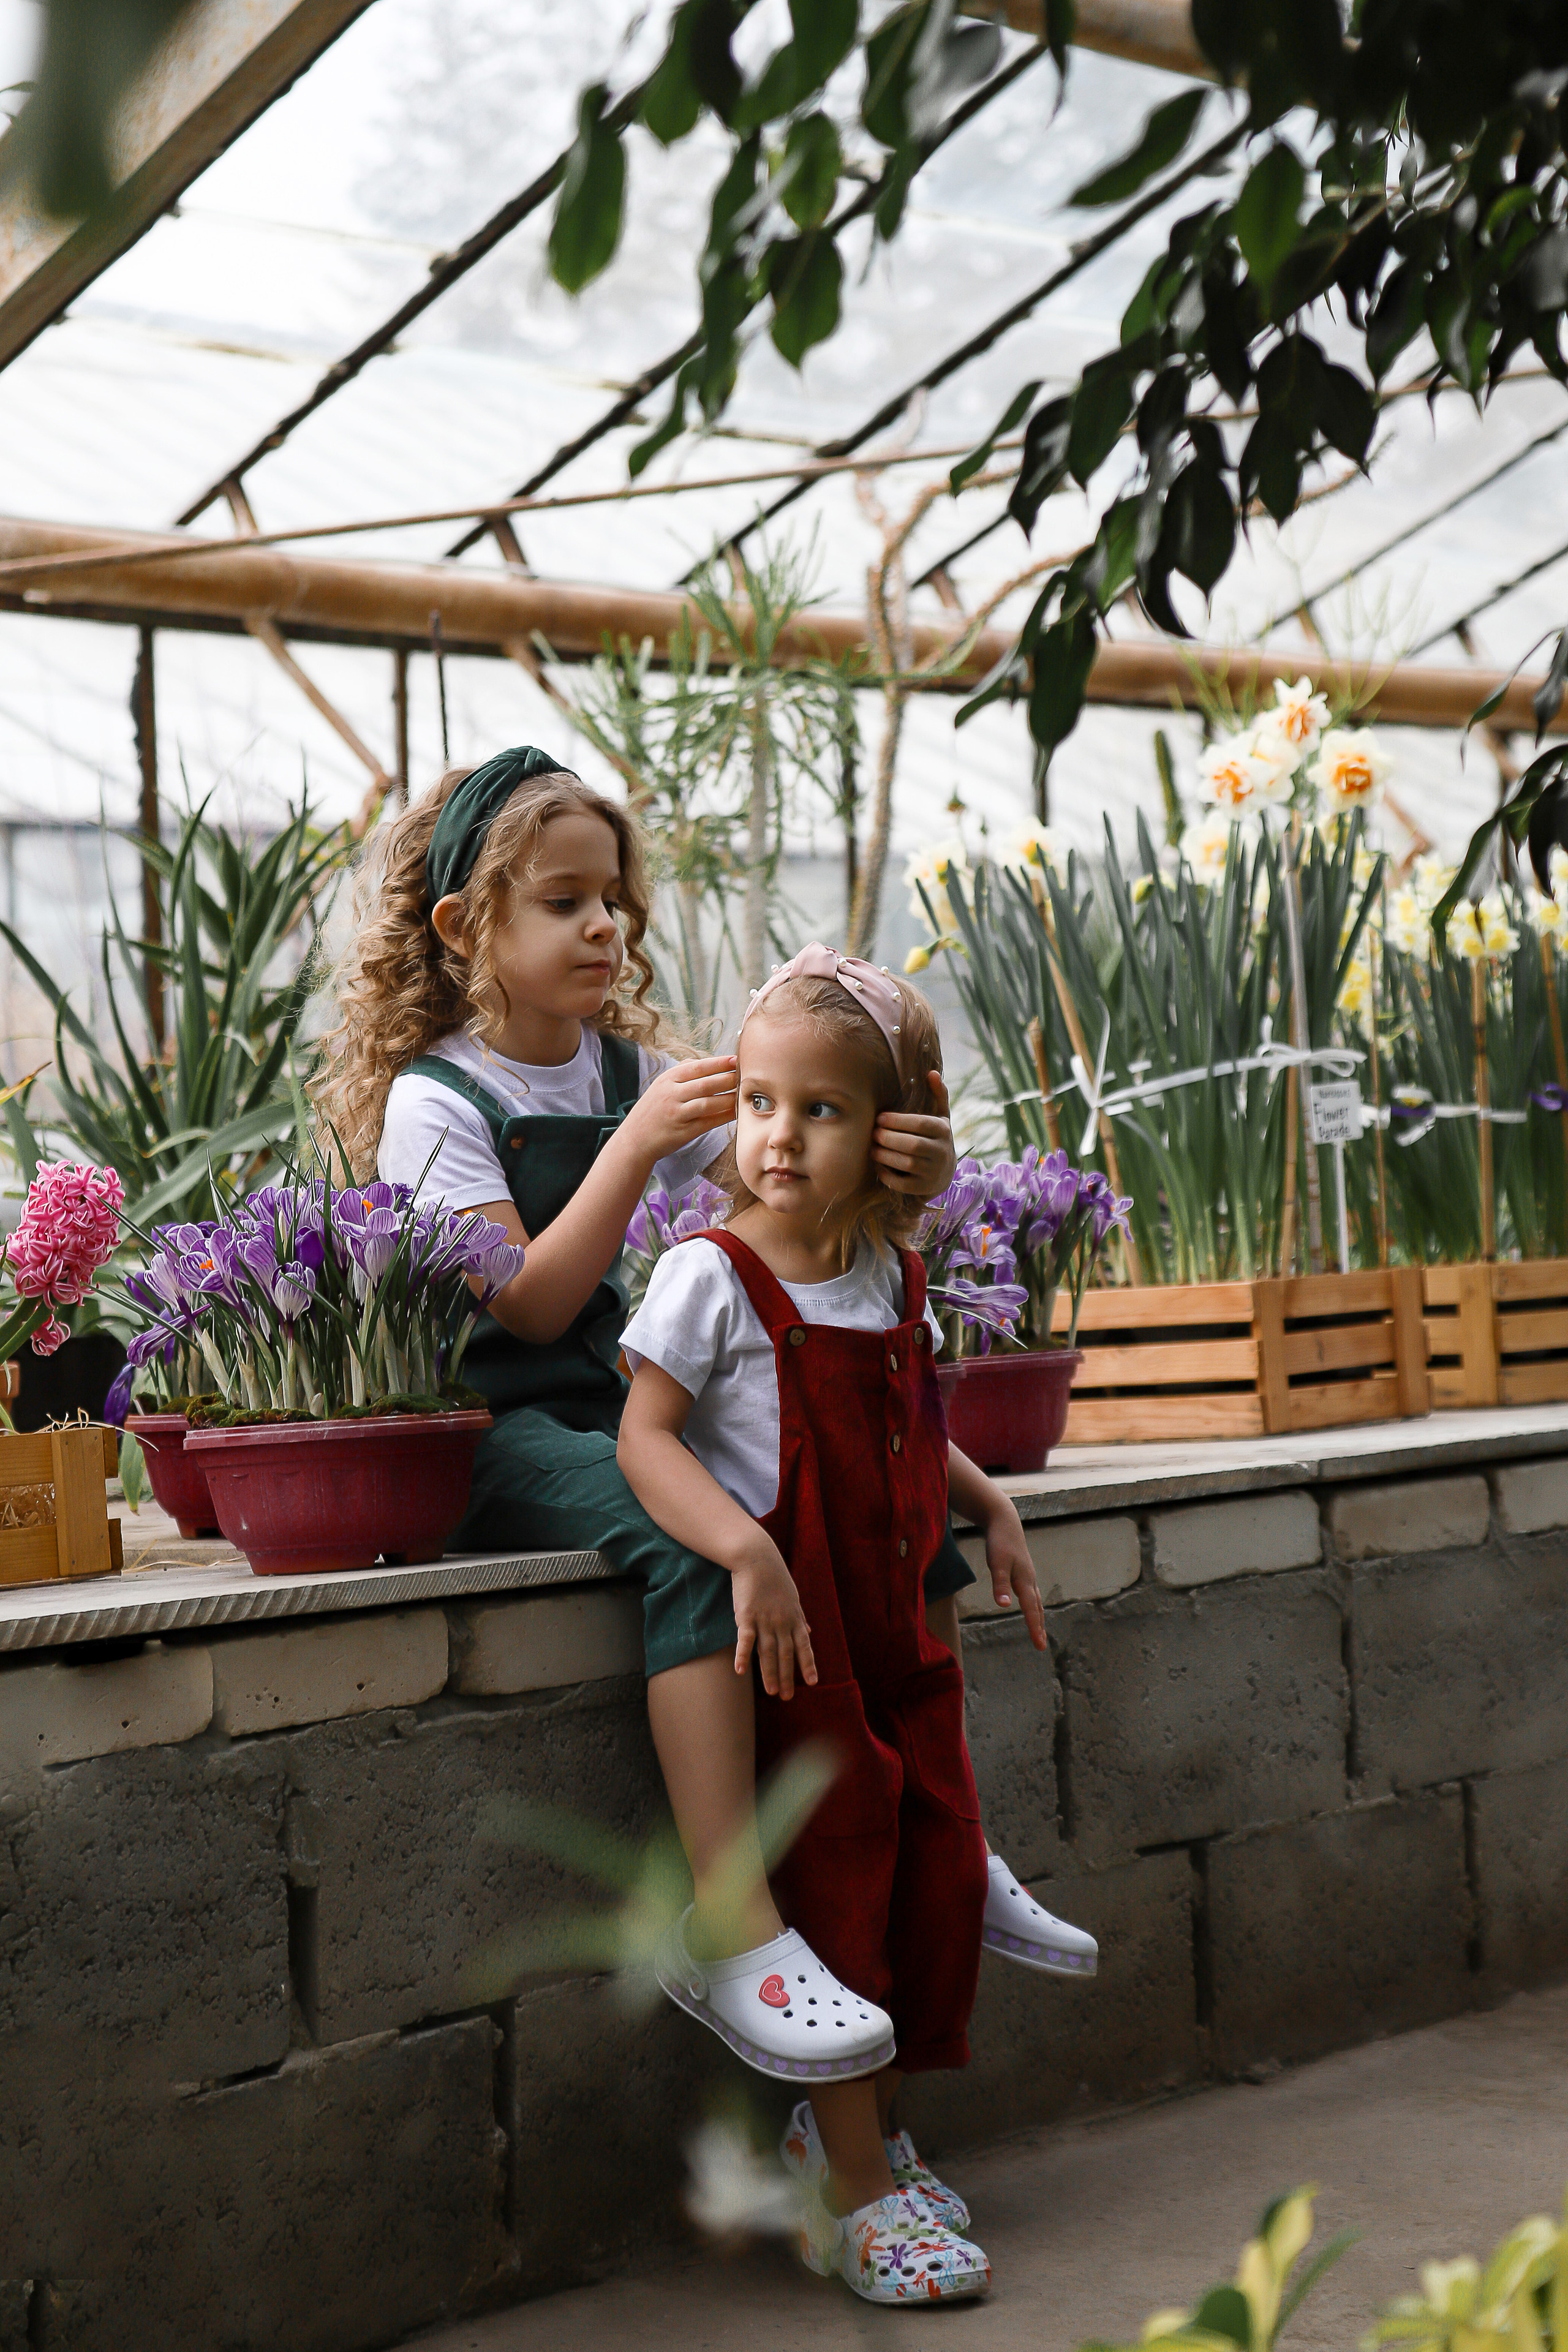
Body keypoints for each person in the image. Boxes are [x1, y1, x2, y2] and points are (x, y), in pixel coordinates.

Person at [309, 747, 964, 2087]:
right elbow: (535, 1308)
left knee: (833, 1484)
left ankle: (942, 1830)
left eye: (612, 899)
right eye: (562, 902)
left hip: (611, 1396)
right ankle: (729, 1919)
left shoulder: (629, 1064)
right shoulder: (439, 1101)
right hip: (487, 1430)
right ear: (463, 928)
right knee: (690, 1539)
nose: (604, 926)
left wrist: (914, 1159)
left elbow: (798, 1182)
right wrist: (633, 1142)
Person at [617, 944, 1090, 2307]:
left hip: (893, 1631)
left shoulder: (884, 1272)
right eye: (759, 1102)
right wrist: (739, 1549)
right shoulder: (709, 1276)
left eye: (819, 1110)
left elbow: (909, 1417)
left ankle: (859, 2137)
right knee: (834, 1871)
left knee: (914, 1862)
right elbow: (644, 1439)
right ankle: (855, 2193)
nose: (776, 1135)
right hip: (796, 1634)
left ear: (891, 1132)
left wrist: (987, 1500)